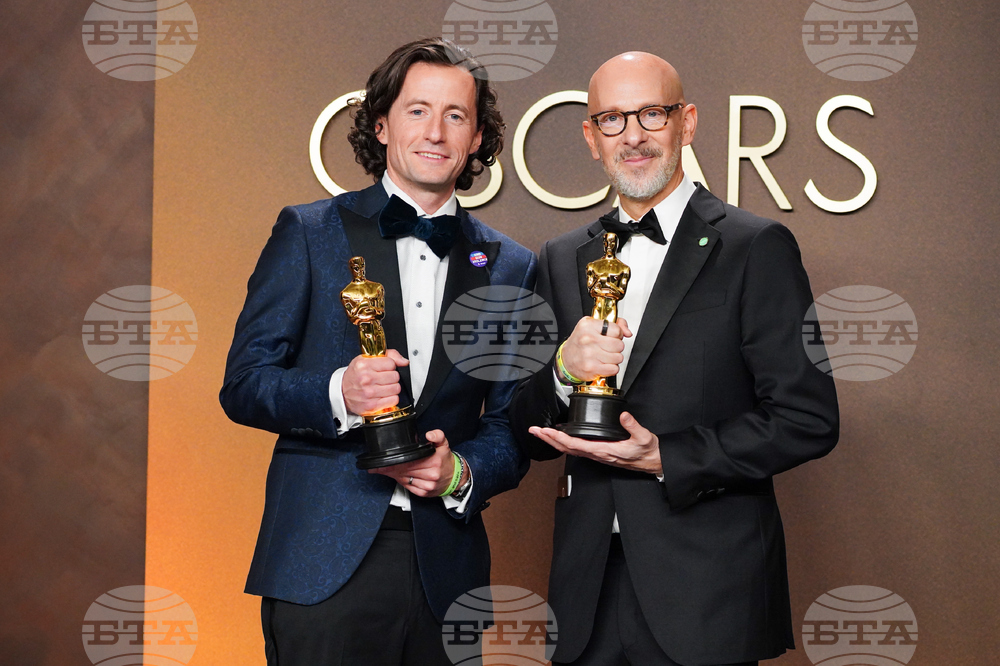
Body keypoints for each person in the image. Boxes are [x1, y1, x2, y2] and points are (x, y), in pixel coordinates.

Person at [509, 52, 839, 666]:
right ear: (590, 137)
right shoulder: (559, 257)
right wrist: (560, 371)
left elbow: (808, 418)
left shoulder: (755, 246)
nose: (632, 136)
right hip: (586, 599)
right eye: (611, 119)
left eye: (651, 114)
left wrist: (669, 456)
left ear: (686, 123)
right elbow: (521, 426)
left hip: (708, 594)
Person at [220, 38, 536, 665]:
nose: (436, 132)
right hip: (321, 563)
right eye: (417, 110)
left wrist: (460, 473)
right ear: (381, 123)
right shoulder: (309, 232)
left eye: (456, 115)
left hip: (446, 570)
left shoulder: (511, 265)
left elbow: (511, 425)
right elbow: (245, 383)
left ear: (477, 139)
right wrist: (339, 392)